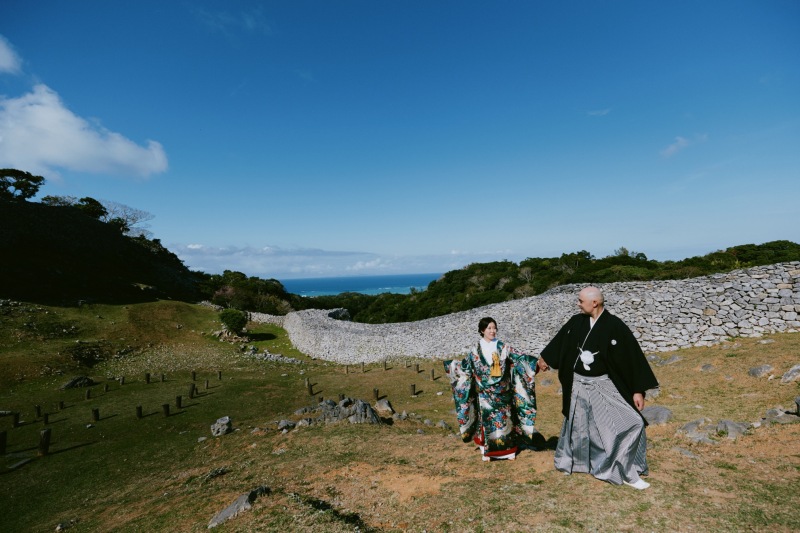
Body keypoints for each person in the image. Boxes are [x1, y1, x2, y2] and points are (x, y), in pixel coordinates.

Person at [539, 286, 658, 489]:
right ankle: (578, 463)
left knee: (634, 422)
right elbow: (560, 342)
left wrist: (637, 390)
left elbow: (630, 358)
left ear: (594, 302)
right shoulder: (576, 322)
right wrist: (545, 358)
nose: (578, 304)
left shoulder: (615, 326)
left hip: (603, 385)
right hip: (578, 385)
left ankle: (624, 469)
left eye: (580, 301)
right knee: (579, 427)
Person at [444, 317, 541, 461]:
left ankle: (508, 452)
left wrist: (535, 363)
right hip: (484, 394)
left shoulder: (503, 347)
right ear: (482, 330)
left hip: (502, 393)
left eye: (494, 328)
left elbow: (520, 358)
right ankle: (487, 451)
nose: (492, 331)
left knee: (505, 422)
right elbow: (465, 367)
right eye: (489, 328)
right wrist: (452, 367)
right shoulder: (475, 350)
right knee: (486, 422)